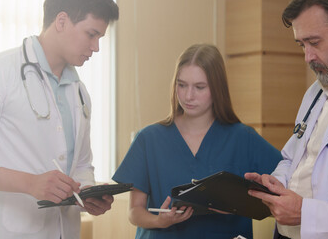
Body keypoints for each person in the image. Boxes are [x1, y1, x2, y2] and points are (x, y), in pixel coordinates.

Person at [0, 0, 119, 238]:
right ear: (62, 21)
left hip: (64, 231)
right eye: (91, 34)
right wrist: (30, 183)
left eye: (100, 38)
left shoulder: (79, 91)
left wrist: (86, 193)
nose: (96, 47)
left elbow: (81, 165)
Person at [112, 44, 282, 239]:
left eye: (199, 87)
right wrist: (160, 221)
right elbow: (135, 211)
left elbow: (283, 198)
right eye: (181, 85)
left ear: (217, 88)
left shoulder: (243, 138)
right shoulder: (148, 139)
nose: (188, 96)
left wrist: (238, 206)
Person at [244, 0, 328, 238]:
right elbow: (291, 158)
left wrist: (307, 212)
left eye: (314, 42)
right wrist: (276, 184)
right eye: (301, 45)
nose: (307, 57)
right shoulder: (314, 93)